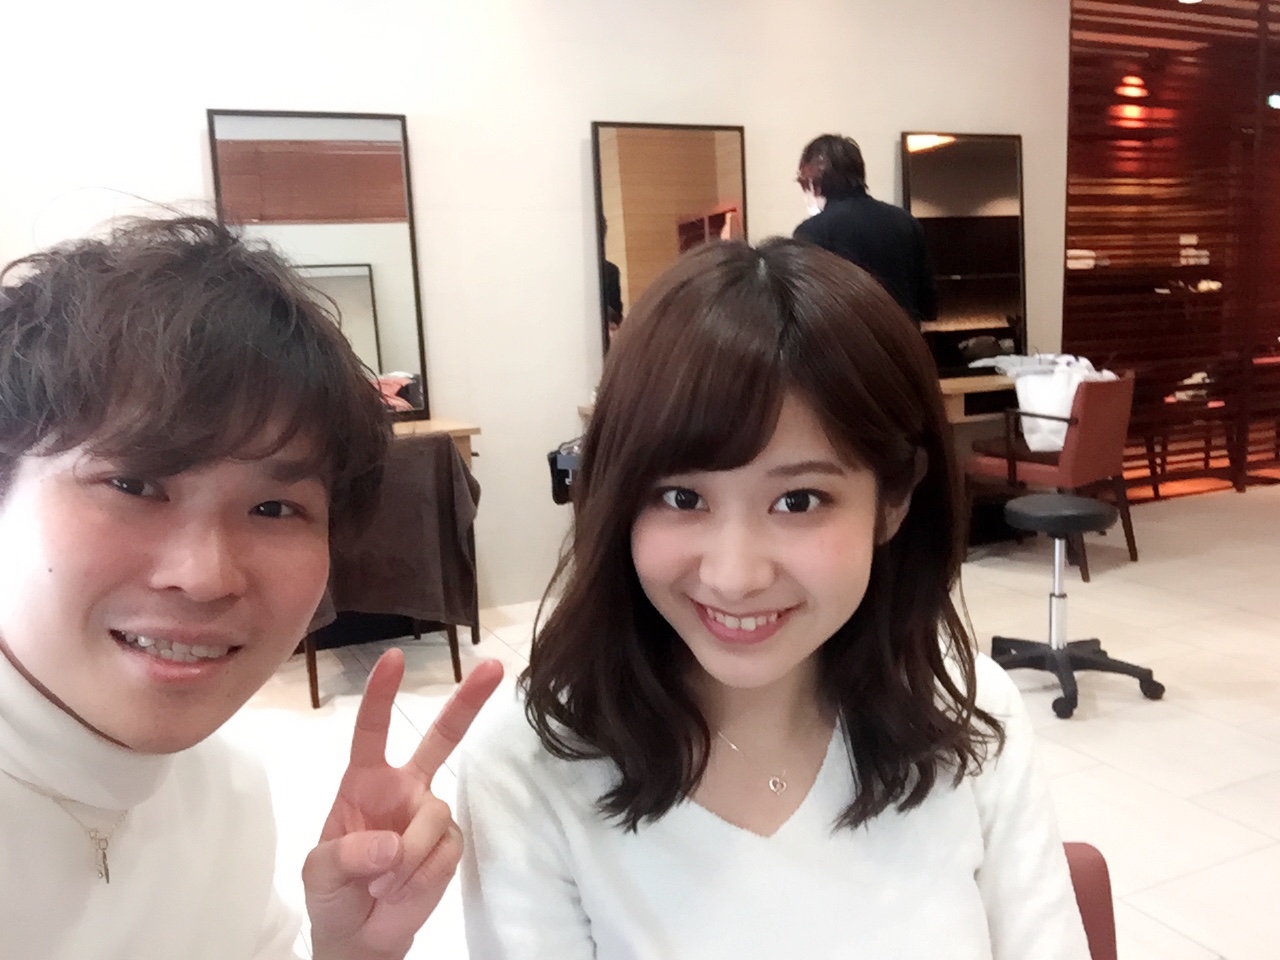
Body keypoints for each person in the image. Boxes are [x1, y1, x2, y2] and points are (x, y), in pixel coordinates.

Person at [455, 239, 1089, 959]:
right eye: (681, 497)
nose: (734, 576)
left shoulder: (966, 713)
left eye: (799, 500)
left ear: (892, 503)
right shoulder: (530, 768)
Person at [0, 216, 502, 960]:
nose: (206, 577)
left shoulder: (226, 790)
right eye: (133, 483)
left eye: (274, 509)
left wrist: (351, 951)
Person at [793, 133, 938, 326]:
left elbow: (807, 316)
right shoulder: (907, 222)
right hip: (905, 342)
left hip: (848, 344)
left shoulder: (812, 232)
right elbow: (929, 307)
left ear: (813, 184)